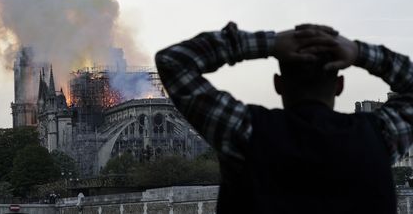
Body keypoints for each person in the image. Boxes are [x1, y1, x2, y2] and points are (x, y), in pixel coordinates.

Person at [155, 22, 413, 214]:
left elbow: (173, 61)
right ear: (340, 86)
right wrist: (359, 52)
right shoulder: (381, 137)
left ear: (278, 84)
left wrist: (269, 43)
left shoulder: (244, 131)